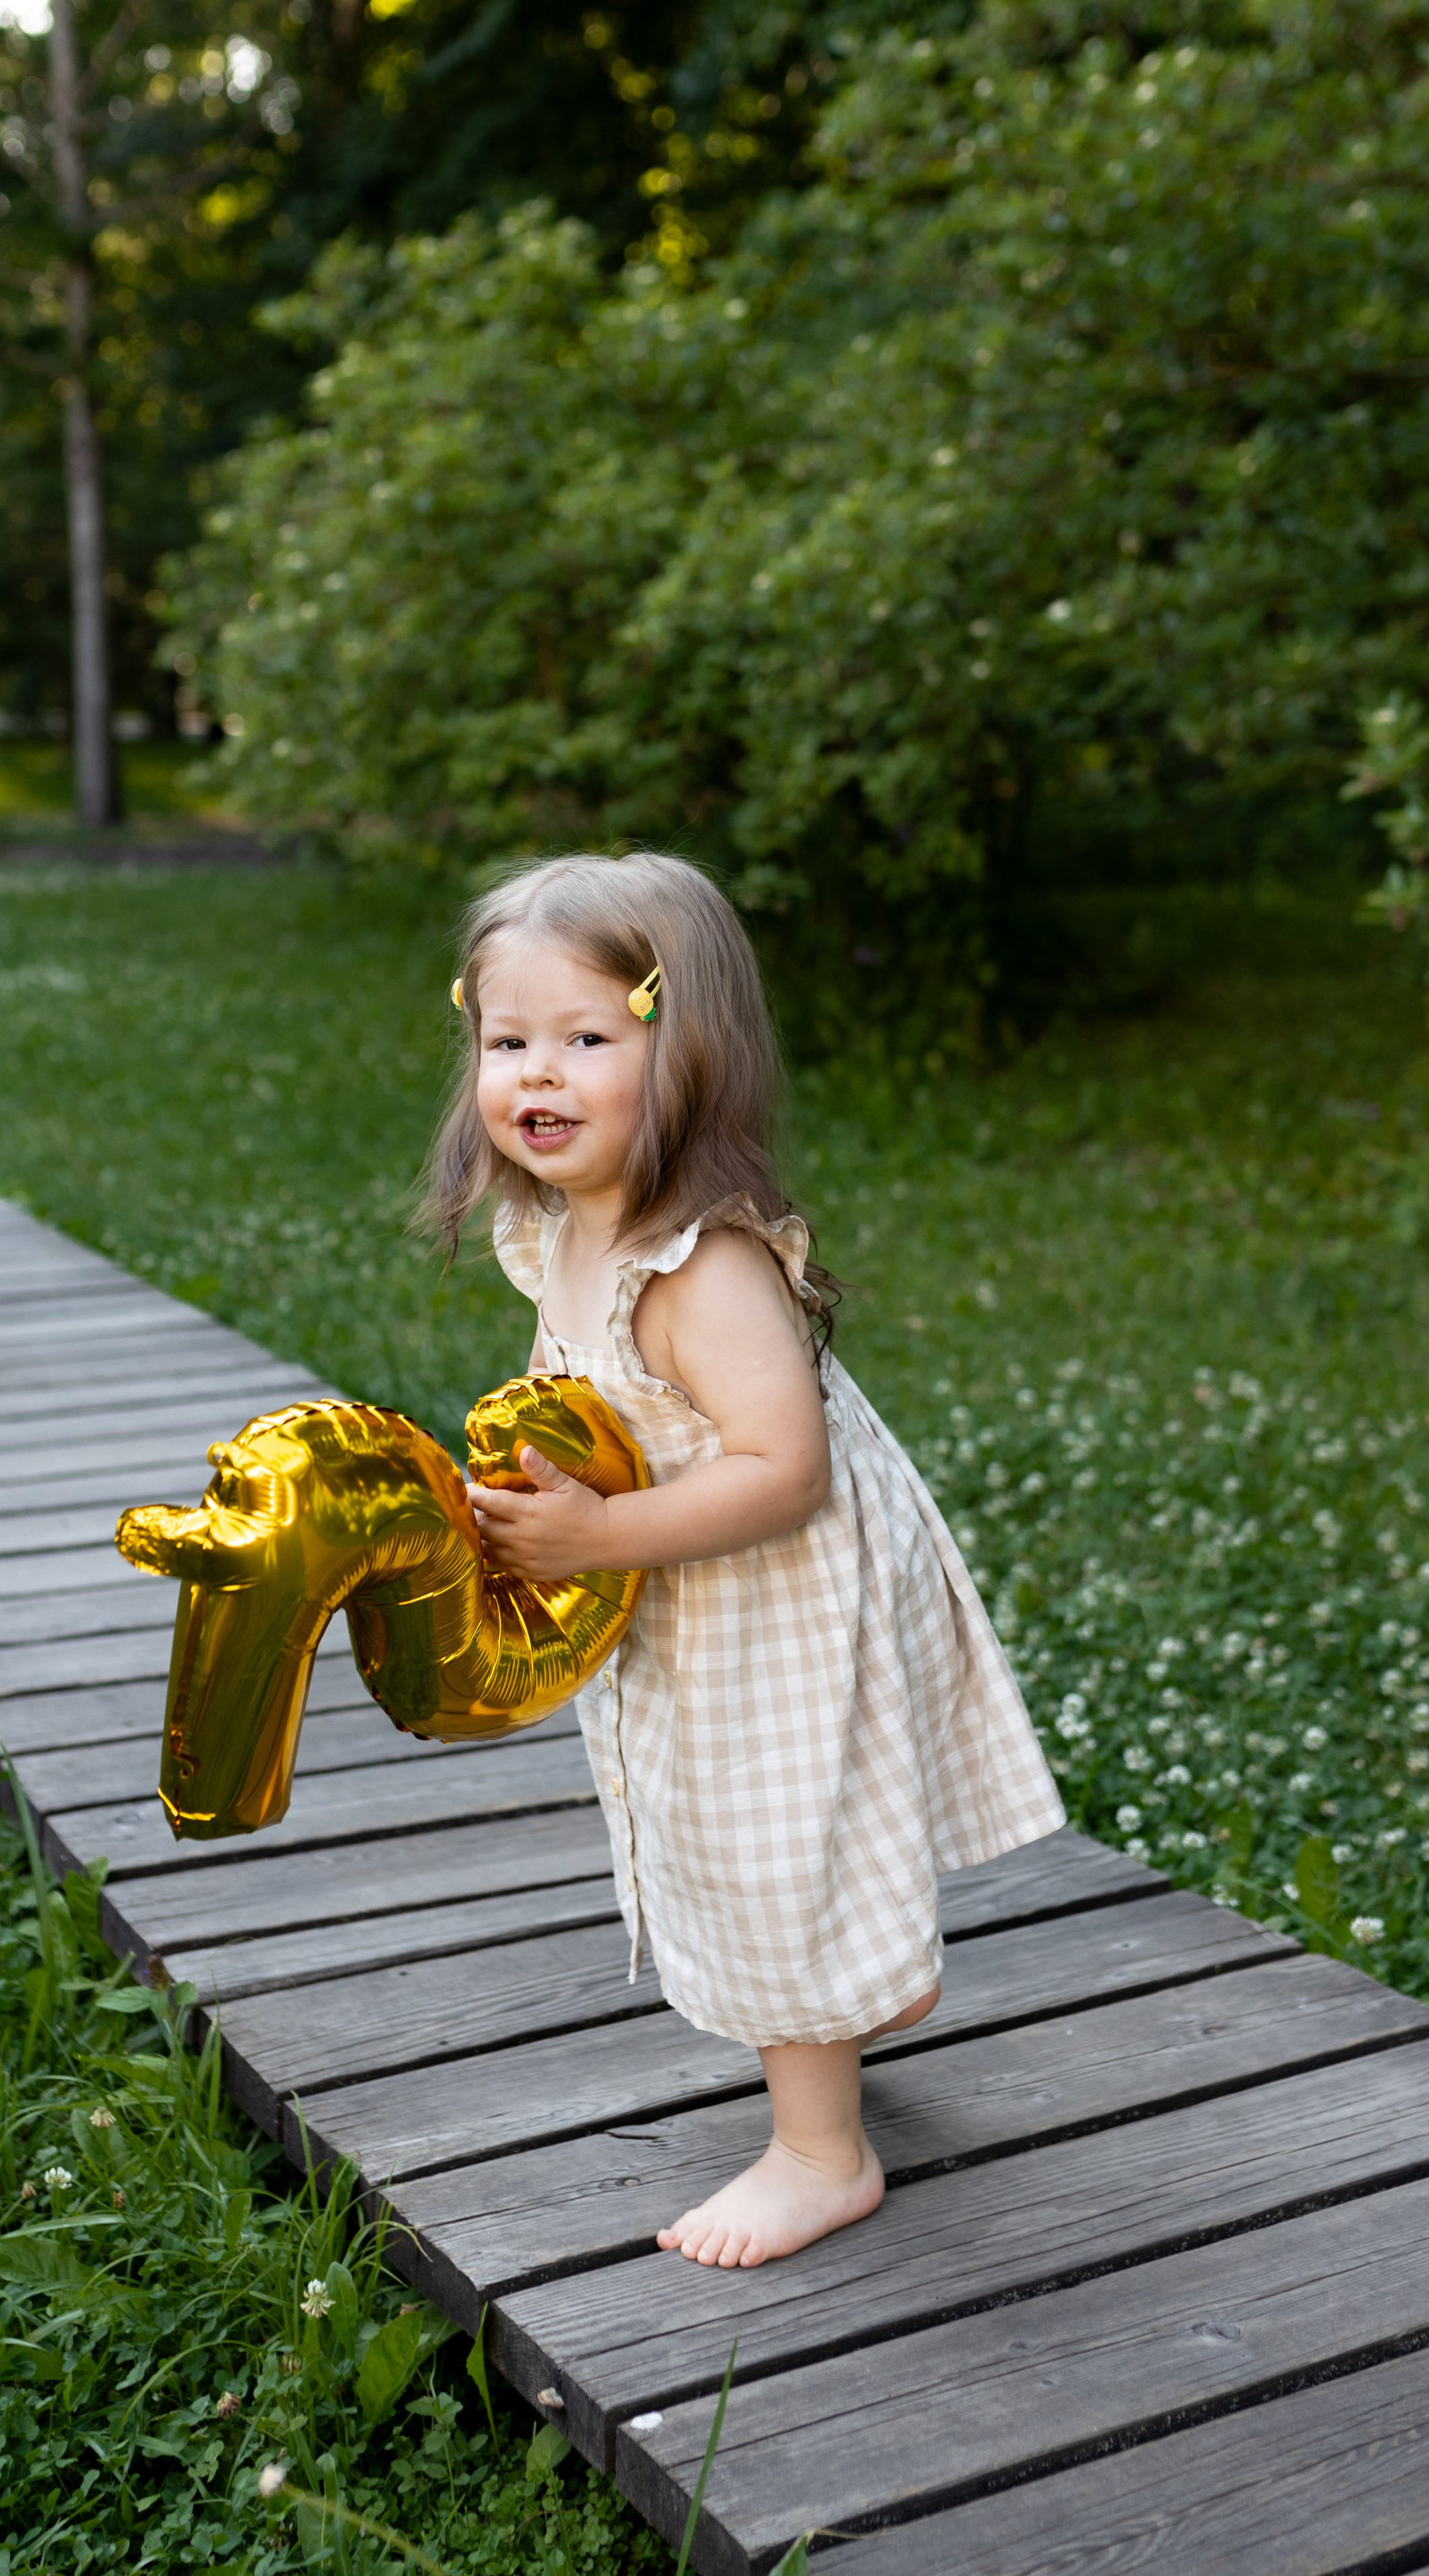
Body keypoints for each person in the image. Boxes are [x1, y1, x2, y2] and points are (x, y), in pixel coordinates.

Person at [419, 854, 1063, 2269]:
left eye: (587, 1039)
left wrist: (595, 1536)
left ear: (684, 1045)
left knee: (768, 1854)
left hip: (770, 1594)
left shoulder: (700, 1266)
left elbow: (783, 1469)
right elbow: (595, 1404)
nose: (538, 1072)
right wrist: (545, 1497)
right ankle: (852, 1993)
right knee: (752, 1837)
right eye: (507, 1039)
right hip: (687, 1581)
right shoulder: (566, 1226)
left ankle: (819, 2151)